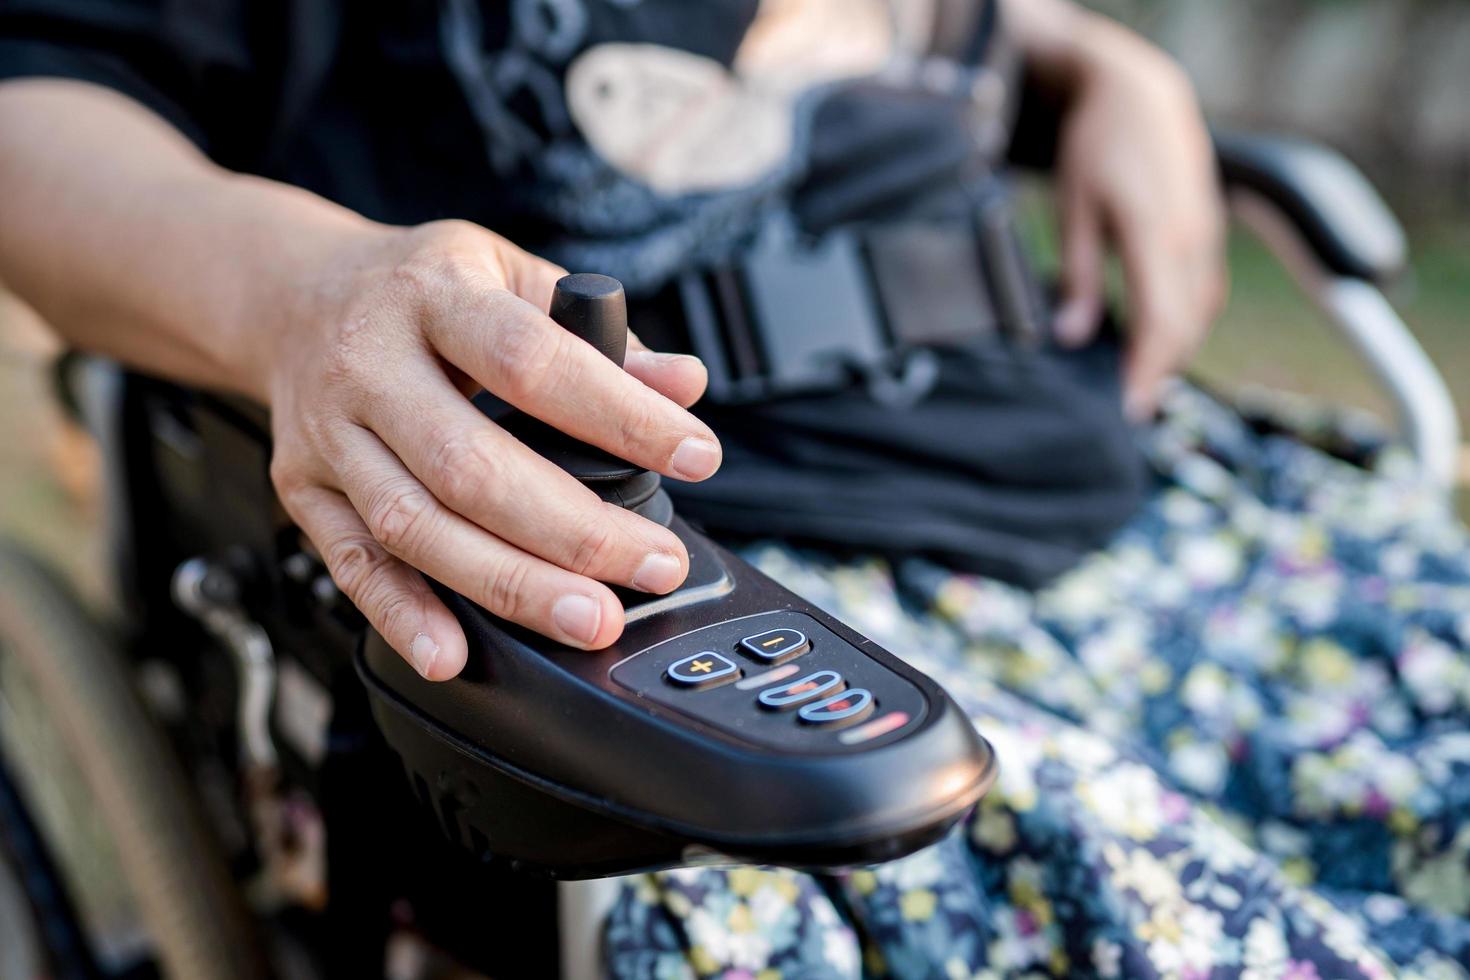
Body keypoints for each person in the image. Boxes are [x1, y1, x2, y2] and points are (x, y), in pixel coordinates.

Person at [2, 1, 1468, 976]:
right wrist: (300, 293)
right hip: (703, 583)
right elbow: (37, 95)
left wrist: (1078, 56)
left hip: (1150, 505)